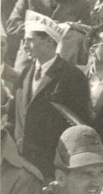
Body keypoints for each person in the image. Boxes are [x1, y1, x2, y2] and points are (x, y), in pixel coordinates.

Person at [11, 11, 91, 179]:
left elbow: (79, 123)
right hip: (21, 161)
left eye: (30, 40)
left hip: (52, 165)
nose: (25, 46)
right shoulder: (26, 73)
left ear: (49, 41)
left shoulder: (72, 76)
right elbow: (13, 115)